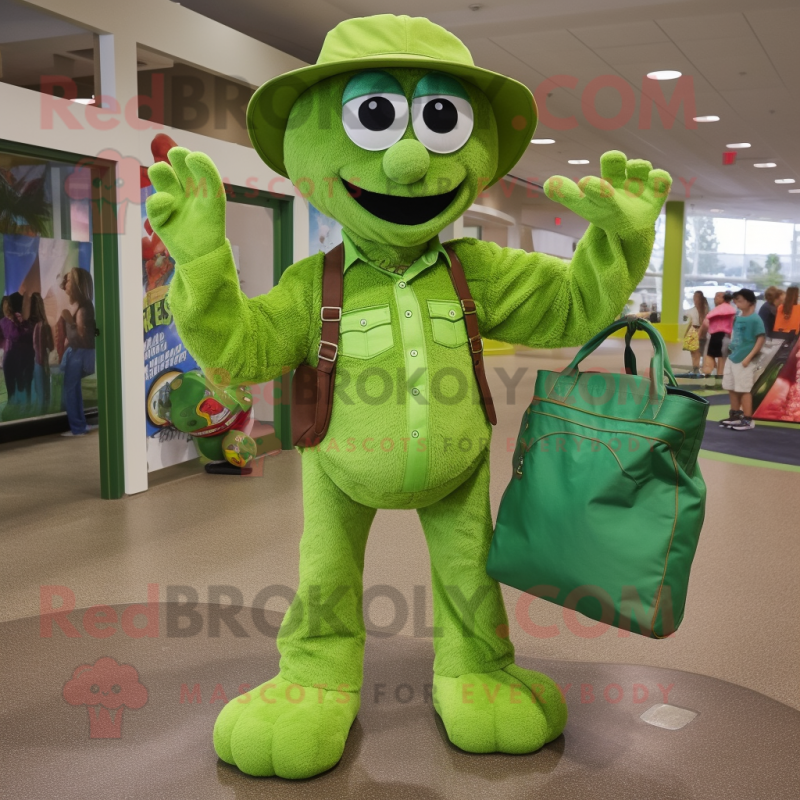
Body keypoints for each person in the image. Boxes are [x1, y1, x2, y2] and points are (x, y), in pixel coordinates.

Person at [720, 288, 766, 431]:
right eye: (736, 301)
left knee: (744, 389)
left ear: (750, 301)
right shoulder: (738, 317)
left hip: (744, 359)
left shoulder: (755, 319)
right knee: (731, 386)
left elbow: (760, 339)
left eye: (739, 301)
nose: (737, 304)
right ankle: (735, 415)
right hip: (733, 357)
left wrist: (748, 357)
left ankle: (748, 419)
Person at [59, 267, 97, 436]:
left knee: (70, 389)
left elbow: (83, 336)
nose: (65, 283)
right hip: (77, 352)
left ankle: (78, 428)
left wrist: (70, 322)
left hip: (80, 353)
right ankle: (80, 425)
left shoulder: (82, 307)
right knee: (73, 390)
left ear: (76, 284)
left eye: (68, 280)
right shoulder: (79, 305)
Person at [0, 292, 35, 415]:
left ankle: (23, 406)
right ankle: (12, 404)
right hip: (10, 358)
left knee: (23, 384)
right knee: (12, 385)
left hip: (22, 357)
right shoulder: (4, 322)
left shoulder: (20, 320)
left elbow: (27, 335)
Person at [699, 291, 736, 381]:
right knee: (722, 361)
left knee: (709, 357)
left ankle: (707, 377)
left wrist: (700, 335)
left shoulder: (715, 311)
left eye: (717, 296)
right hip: (726, 337)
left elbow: (705, 324)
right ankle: (719, 381)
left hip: (714, 337)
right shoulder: (731, 310)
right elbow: (732, 325)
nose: (715, 298)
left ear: (722, 298)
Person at [27, 292, 54, 412]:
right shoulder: (44, 325)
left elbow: (36, 347)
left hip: (38, 362)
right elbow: (50, 346)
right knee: (45, 395)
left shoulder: (36, 325)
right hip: (43, 362)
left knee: (41, 395)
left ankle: (41, 422)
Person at [683, 290, 708, 375]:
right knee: (698, 353)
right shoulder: (706, 310)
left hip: (693, 332)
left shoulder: (690, 311)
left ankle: (696, 369)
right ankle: (698, 369)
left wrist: (685, 334)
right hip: (703, 332)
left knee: (694, 353)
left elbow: (688, 323)